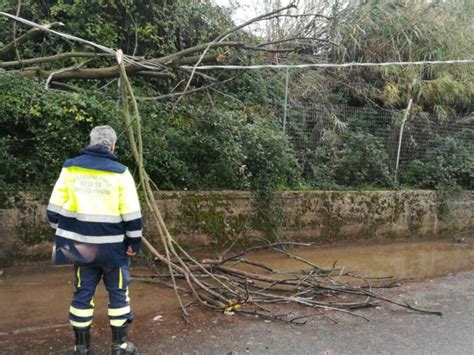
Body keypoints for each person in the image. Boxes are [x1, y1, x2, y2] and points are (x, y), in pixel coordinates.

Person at [46, 125, 143, 355]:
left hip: (80, 248)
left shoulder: (70, 168)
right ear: (112, 146)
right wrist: (134, 243)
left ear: (90, 142)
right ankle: (119, 346)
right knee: (118, 293)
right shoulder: (121, 173)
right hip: (113, 250)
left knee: (83, 293)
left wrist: (67, 233)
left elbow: (52, 212)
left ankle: (82, 348)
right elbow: (132, 215)